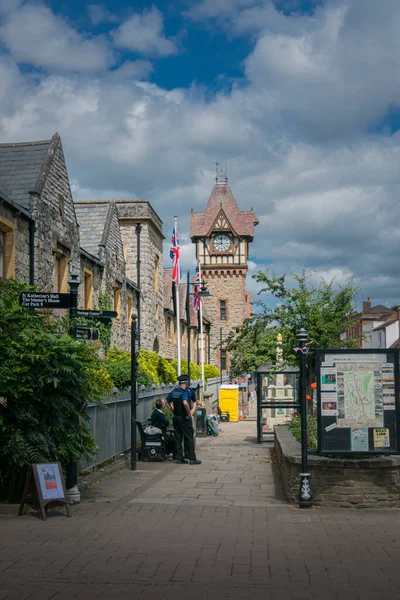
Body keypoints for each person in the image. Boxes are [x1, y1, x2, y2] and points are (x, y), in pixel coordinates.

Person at [166, 375, 201, 465]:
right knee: (189, 437)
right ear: (185, 383)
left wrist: (172, 409)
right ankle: (192, 458)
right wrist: (189, 412)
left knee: (178, 438)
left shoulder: (174, 391)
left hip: (176, 417)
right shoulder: (185, 392)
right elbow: (185, 403)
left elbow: (167, 401)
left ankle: (180, 458)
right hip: (184, 418)